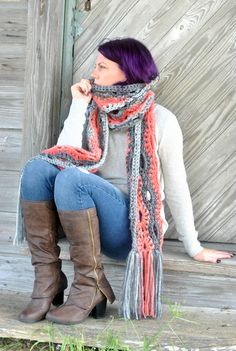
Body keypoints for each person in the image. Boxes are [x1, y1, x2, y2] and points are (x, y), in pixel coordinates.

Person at [16, 38, 234, 324]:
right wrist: (79, 105)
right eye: (95, 67)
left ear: (127, 72)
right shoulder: (91, 111)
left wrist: (193, 246)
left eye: (102, 67)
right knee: (38, 168)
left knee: (72, 179)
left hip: (130, 231)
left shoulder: (161, 120)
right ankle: (48, 281)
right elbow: (64, 156)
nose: (94, 74)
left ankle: (89, 286)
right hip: (83, 222)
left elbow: (177, 184)